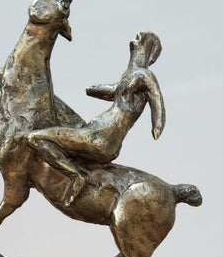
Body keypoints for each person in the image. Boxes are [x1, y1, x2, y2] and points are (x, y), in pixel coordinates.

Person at [26, 31, 166, 206]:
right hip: (95, 133)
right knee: (55, 105)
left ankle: (75, 176)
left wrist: (157, 125)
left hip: (102, 137)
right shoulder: (130, 75)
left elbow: (156, 97)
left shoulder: (144, 75)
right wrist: (92, 89)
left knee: (34, 138)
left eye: (139, 38)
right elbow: (113, 90)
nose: (134, 40)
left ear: (147, 47)